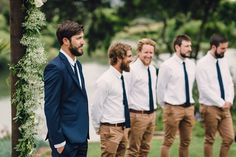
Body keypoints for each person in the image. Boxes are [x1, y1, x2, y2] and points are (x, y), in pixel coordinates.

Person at [44, 20, 89, 157]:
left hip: (81, 139)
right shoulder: (55, 68)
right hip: (65, 142)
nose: (83, 42)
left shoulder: (78, 65)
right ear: (66, 41)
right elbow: (51, 107)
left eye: (82, 37)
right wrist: (59, 143)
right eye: (78, 38)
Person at [157, 34, 196, 157]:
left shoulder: (191, 64)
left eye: (190, 46)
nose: (190, 49)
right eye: (186, 46)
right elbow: (160, 88)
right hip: (173, 108)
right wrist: (166, 106)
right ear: (177, 47)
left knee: (186, 142)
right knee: (168, 141)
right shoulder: (167, 65)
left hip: (189, 108)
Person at [196, 34, 234, 157]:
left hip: (225, 107)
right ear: (213, 47)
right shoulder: (202, 63)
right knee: (209, 139)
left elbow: (229, 82)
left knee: (229, 138)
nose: (225, 51)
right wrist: (221, 103)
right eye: (222, 49)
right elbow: (204, 88)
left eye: (226, 48)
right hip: (210, 107)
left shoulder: (223, 60)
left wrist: (229, 100)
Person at [91, 42, 132, 157]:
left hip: (123, 128)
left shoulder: (122, 77)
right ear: (119, 58)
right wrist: (98, 128)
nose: (131, 59)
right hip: (110, 130)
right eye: (129, 56)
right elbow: (96, 106)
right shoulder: (105, 80)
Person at [125, 38, 157, 157]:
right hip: (137, 115)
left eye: (151, 52)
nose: (148, 55)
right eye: (146, 52)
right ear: (138, 52)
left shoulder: (153, 69)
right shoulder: (131, 69)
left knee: (145, 149)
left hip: (151, 115)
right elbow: (125, 95)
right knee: (133, 150)